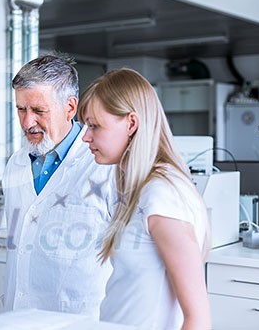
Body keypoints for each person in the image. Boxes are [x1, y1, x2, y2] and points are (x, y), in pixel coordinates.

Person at [77, 68, 211, 329]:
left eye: (94, 125)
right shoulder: (136, 186)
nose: (85, 137)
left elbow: (198, 319)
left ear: (131, 123)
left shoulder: (162, 194)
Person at [2, 54, 116, 318]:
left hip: (80, 318)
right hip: (18, 315)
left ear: (70, 107)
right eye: (21, 109)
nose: (27, 122)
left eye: (39, 111)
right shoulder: (15, 165)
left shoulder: (104, 165)